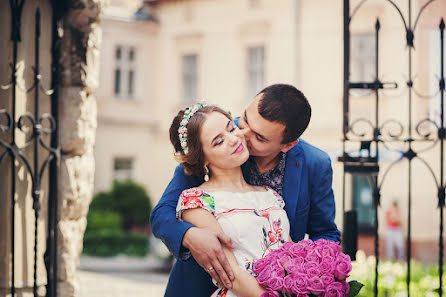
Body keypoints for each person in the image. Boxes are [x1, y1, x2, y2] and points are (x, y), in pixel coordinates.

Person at [150, 84, 341, 297]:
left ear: (287, 145)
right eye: (245, 120)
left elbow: (325, 233)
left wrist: (309, 278)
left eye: (259, 137)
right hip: (204, 286)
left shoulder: (313, 164)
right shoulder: (212, 138)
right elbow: (161, 214)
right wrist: (190, 235)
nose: (241, 134)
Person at [170, 103, 289, 296]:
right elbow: (230, 273)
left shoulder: (269, 194)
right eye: (219, 142)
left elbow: (291, 252)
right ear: (203, 159)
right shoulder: (197, 201)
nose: (234, 139)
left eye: (231, 128)